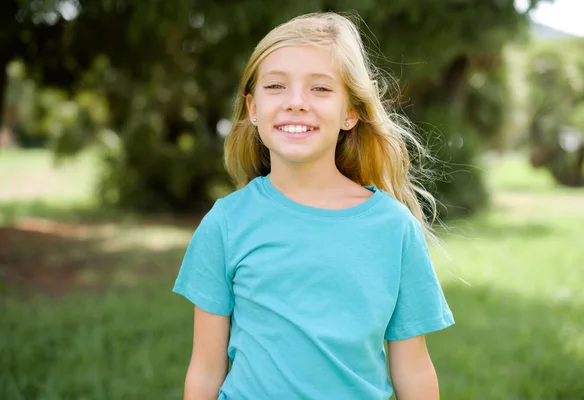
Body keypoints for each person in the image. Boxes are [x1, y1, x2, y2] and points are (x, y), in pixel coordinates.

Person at [173, 11, 455, 400]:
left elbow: (414, 370)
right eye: (276, 86)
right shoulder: (226, 222)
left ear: (350, 113)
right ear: (252, 109)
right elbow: (205, 371)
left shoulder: (393, 227)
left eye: (320, 89)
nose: (296, 103)